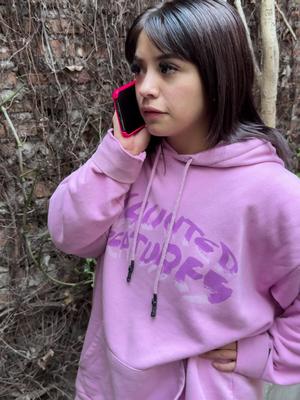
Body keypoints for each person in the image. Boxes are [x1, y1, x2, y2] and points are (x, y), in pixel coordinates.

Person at [48, 0, 300, 399]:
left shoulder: (276, 196)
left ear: (219, 74)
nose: (145, 87)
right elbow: (68, 233)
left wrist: (263, 354)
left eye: (167, 68)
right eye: (138, 68)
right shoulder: (130, 163)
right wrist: (118, 157)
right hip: (105, 387)